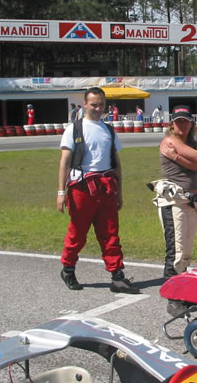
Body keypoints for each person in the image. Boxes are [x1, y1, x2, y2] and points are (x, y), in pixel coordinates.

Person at [57, 86, 138, 294]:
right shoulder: (74, 129)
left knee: (111, 233)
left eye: (101, 104)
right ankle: (68, 268)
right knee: (77, 233)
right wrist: (61, 192)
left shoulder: (109, 130)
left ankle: (117, 275)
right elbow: (65, 161)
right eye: (94, 104)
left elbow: (116, 163)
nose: (98, 108)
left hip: (107, 187)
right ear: (85, 104)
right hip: (81, 189)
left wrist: (119, 192)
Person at [151, 105, 197, 280]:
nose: (182, 125)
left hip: (193, 202)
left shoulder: (194, 144)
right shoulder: (169, 141)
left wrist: (176, 157)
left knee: (186, 251)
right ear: (172, 124)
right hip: (174, 201)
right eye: (179, 122)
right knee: (176, 251)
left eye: (186, 121)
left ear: (191, 124)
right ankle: (173, 297)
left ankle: (182, 289)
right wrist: (195, 157)